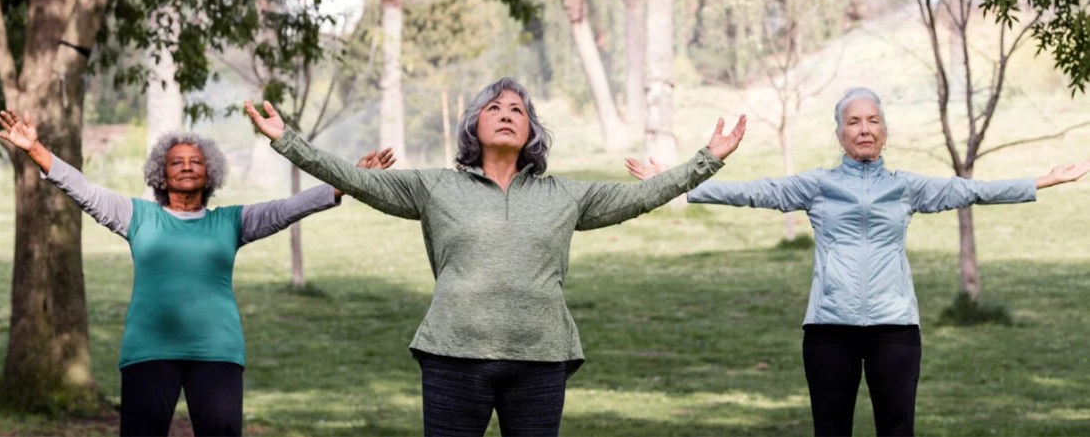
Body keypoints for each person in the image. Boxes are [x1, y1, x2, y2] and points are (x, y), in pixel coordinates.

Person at [244, 76, 746, 437]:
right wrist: (285, 141)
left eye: (518, 111)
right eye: (494, 108)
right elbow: (352, 177)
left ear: (531, 132)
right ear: (473, 127)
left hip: (540, 358)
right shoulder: (433, 186)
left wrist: (709, 157)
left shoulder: (565, 196)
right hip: (452, 355)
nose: (506, 115)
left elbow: (643, 195)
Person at [626, 87, 1090, 437]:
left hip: (895, 330)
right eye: (853, 121)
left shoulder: (906, 187)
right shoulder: (816, 185)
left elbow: (972, 190)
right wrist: (671, 182)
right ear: (839, 133)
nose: (864, 128)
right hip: (829, 330)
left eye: (872, 120)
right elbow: (751, 192)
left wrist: (1045, 179)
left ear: (884, 131)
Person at [0, 109, 394, 437]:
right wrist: (35, 150)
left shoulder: (231, 222)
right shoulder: (138, 217)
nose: (186, 167)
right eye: (176, 162)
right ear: (161, 174)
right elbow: (82, 189)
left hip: (216, 354)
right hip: (148, 352)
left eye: (196, 161)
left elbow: (287, 208)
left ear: (210, 172)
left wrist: (348, 183)